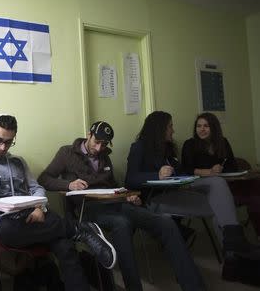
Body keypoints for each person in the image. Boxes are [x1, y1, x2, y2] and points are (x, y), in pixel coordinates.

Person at [0, 114, 116, 291]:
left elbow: (37, 188)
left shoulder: (18, 162)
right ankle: (79, 229)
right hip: (4, 224)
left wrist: (40, 207)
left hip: (34, 216)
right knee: (9, 231)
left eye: (9, 142)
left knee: (64, 245)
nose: (2, 147)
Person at [38, 121, 206, 291]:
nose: (99, 148)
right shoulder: (67, 153)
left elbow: (113, 185)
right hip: (87, 208)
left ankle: (194, 286)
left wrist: (128, 195)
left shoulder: (104, 155)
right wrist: (68, 185)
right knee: (122, 223)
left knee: (165, 222)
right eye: (96, 142)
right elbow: (43, 178)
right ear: (89, 135)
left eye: (104, 144)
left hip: (116, 203)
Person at [125, 110, 260, 283]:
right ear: (159, 128)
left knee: (217, 186)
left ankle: (233, 256)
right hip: (154, 199)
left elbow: (181, 170)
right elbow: (130, 179)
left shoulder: (167, 147)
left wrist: (182, 171)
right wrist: (156, 175)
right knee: (220, 207)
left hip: (175, 192)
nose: (173, 130)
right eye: (170, 127)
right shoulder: (139, 147)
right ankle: (236, 255)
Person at [182, 112, 260, 240]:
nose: (202, 129)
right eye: (199, 126)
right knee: (219, 185)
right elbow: (186, 169)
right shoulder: (190, 144)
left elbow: (232, 166)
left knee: (256, 186)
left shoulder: (223, 142)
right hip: (202, 186)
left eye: (206, 126)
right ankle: (233, 243)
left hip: (225, 181)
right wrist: (209, 172)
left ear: (214, 127)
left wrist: (222, 168)